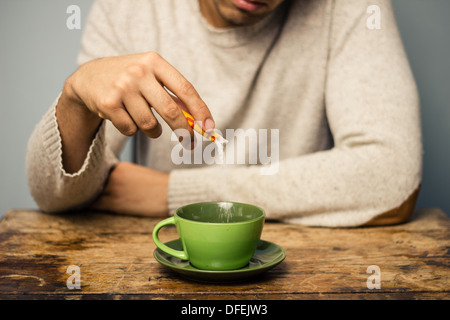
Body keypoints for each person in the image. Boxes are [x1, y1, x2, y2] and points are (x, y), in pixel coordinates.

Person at [26, 0, 422, 227]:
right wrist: (75, 101)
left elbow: (392, 176)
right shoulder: (129, 8)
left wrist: (170, 195)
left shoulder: (351, 7)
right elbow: (57, 197)